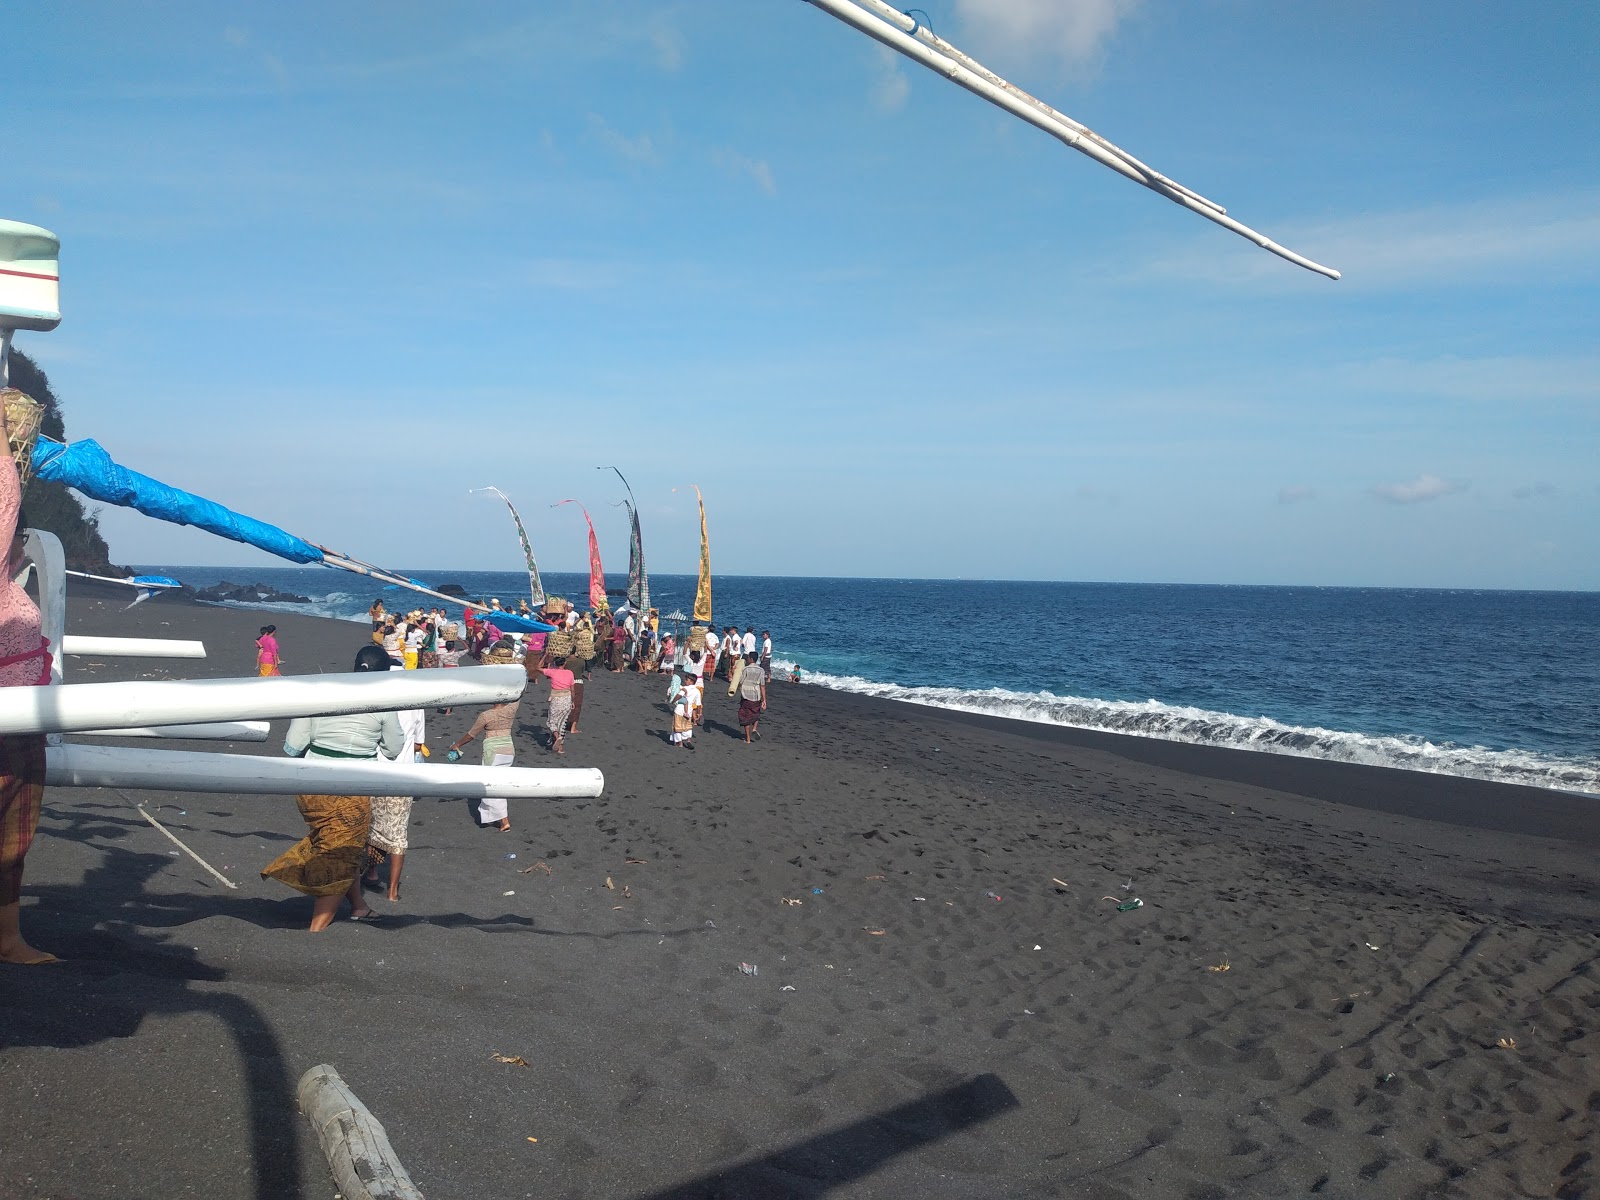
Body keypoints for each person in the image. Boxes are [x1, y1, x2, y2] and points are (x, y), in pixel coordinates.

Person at [262, 644, 402, 931]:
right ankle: (317, 929)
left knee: (338, 846)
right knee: (342, 853)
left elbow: (293, 747)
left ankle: (359, 907)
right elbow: (393, 749)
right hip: (352, 789)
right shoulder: (384, 704)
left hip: (311, 787)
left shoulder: (321, 692)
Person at [0, 437, 58, 963]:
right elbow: (2, 496)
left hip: (21, 726)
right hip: (3, 726)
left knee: (12, 846)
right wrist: (3, 439)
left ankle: (8, 939)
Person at [447, 642, 520, 831]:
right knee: (500, 784)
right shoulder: (512, 708)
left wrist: (457, 745)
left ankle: (504, 821)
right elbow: (518, 692)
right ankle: (494, 818)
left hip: (493, 750)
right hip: (509, 748)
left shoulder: (486, 715)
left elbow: (471, 735)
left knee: (492, 787)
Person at [364, 705, 425, 902]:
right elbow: (418, 744)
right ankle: (392, 891)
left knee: (374, 826)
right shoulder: (417, 706)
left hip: (376, 771)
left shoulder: (379, 701)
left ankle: (372, 871)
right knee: (398, 832)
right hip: (403, 775)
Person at [535, 654, 575, 755]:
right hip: (567, 698)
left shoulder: (552, 672)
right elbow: (573, 690)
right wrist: (573, 701)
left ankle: (557, 738)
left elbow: (537, 667)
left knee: (552, 721)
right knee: (562, 722)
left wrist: (545, 655)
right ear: (564, 663)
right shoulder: (570, 673)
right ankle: (560, 747)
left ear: (555, 664)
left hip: (556, 699)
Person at [737, 652, 767, 743]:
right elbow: (762, 685)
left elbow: (741, 681)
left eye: (748, 658)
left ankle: (748, 739)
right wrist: (764, 699)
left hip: (746, 695)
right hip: (756, 695)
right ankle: (754, 728)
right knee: (756, 713)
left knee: (745, 716)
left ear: (751, 659)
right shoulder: (761, 670)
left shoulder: (746, 669)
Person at [670, 672, 698, 750]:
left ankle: (680, 743)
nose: (685, 681)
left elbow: (679, 695)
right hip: (688, 712)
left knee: (677, 727)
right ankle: (688, 740)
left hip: (679, 710)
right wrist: (696, 714)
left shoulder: (685, 688)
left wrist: (673, 701)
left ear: (690, 681)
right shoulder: (697, 691)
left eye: (686, 680)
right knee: (688, 727)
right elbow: (697, 704)